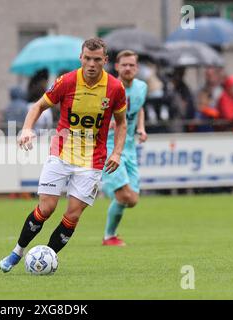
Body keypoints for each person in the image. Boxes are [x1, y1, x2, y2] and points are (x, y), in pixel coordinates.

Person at [0, 38, 127, 272]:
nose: (91, 64)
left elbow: (121, 123)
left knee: (73, 214)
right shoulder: (67, 82)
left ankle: (44, 260)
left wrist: (117, 152)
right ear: (81, 58)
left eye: (97, 60)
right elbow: (37, 106)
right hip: (61, 152)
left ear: (105, 61)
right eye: (87, 59)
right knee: (46, 208)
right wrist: (27, 129)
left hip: (92, 161)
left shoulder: (115, 88)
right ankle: (17, 252)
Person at [101, 50, 148, 246]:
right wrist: (107, 121)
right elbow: (97, 109)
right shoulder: (109, 87)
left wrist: (141, 128)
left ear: (136, 68)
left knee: (133, 199)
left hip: (129, 146)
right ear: (117, 67)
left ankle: (109, 188)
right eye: (124, 65)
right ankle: (109, 237)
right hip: (110, 146)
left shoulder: (141, 87)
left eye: (132, 65)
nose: (128, 68)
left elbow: (139, 108)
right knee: (124, 195)